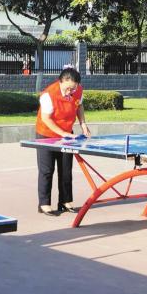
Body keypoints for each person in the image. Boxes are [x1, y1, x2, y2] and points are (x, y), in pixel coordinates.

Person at [35, 65, 91, 216]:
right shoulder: (48, 95)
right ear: (61, 81)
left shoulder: (78, 90)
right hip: (46, 134)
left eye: (73, 89)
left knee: (66, 170)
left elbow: (79, 106)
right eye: (67, 89)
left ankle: (65, 202)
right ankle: (44, 204)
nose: (70, 92)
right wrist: (63, 134)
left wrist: (83, 124)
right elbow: (46, 119)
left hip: (67, 134)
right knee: (47, 170)